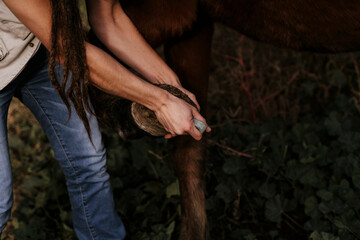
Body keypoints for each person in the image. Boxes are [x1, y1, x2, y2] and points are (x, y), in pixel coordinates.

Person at [0, 0, 210, 239]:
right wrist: (161, 103)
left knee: (89, 161)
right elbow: (70, 52)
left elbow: (108, 18)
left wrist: (172, 89)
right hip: (46, 44)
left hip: (40, 45)